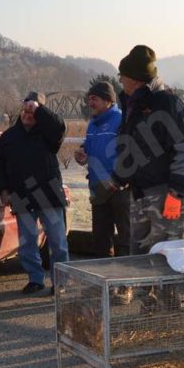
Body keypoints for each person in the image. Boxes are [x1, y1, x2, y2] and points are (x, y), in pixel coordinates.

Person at [111, 45, 184, 303]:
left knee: (166, 254)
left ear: (135, 78)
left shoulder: (168, 103)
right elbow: (131, 148)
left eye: (122, 76)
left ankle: (168, 311)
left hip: (165, 193)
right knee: (139, 254)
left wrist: (177, 192)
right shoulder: (133, 104)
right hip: (140, 192)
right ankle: (147, 309)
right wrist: (119, 177)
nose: (120, 81)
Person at [0, 91, 70, 295]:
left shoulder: (49, 135)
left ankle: (60, 283)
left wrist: (38, 108)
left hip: (49, 195)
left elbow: (59, 127)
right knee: (27, 243)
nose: (28, 113)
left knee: (57, 242)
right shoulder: (8, 137)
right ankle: (35, 279)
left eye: (33, 111)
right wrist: (3, 189)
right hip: (21, 196)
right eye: (25, 109)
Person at [74, 81, 130, 257]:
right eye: (89, 99)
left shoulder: (122, 120)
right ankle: (105, 279)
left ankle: (125, 282)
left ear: (108, 100)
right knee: (101, 238)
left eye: (94, 99)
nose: (90, 103)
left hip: (119, 188)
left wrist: (119, 178)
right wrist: (82, 154)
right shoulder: (92, 124)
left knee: (125, 238)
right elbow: (89, 148)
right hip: (98, 187)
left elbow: (130, 153)